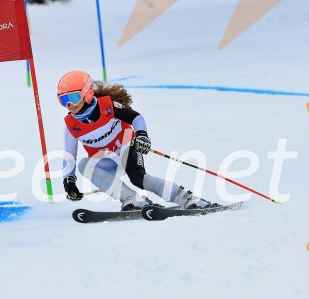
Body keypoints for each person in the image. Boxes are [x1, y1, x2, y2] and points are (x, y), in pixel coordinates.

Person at [57, 70, 215, 211]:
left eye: (72, 98)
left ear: (87, 93)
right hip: (106, 161)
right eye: (63, 100)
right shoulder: (71, 125)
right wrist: (69, 182)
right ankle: (131, 199)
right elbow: (69, 156)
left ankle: (187, 198)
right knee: (85, 165)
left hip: (126, 147)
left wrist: (142, 135)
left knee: (139, 179)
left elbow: (136, 117)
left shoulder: (107, 106)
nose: (69, 105)